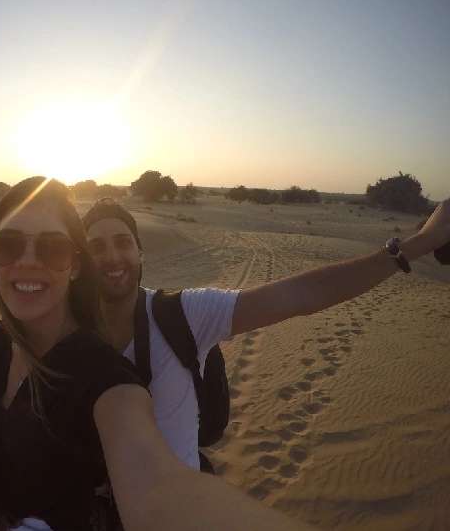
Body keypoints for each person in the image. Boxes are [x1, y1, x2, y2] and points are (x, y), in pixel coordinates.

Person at [0, 177, 307, 531]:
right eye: (8, 245)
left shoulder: (103, 372)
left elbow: (158, 489)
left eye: (52, 248)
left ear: (74, 265)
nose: (27, 262)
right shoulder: (0, 340)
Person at [82, 196, 450, 473]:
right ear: (80, 260)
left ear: (140, 251)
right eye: (96, 247)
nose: (112, 257)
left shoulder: (183, 314)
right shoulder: (64, 333)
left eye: (123, 242)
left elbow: (304, 295)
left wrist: (421, 242)